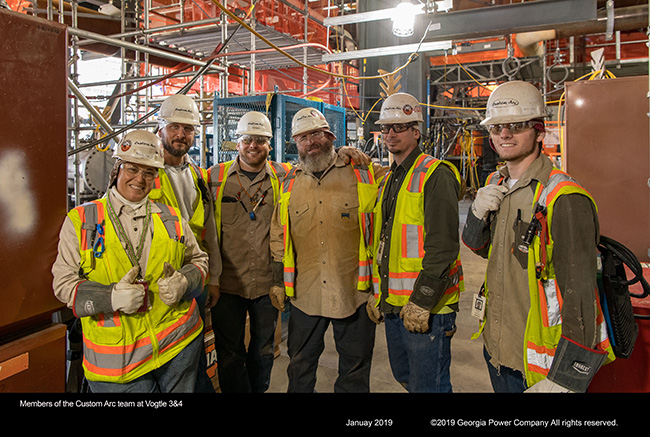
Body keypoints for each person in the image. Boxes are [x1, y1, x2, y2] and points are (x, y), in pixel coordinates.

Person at [461, 80, 615, 393]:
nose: (505, 134)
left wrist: (568, 377)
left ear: (539, 131)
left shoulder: (564, 197)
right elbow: (479, 248)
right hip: (496, 349)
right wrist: (477, 214)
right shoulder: (496, 184)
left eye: (516, 126)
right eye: (497, 127)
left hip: (539, 366)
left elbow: (581, 294)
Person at [51, 130, 209, 393]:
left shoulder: (170, 217)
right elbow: (64, 285)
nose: (140, 179)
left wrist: (184, 281)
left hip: (178, 346)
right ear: (117, 169)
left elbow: (199, 260)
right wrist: (110, 297)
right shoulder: (83, 221)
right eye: (132, 168)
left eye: (149, 172)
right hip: (118, 362)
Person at [269, 107, 386, 392]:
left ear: (330, 137)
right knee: (300, 368)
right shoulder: (288, 183)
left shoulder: (363, 173)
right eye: (303, 137)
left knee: (354, 374)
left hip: (354, 294)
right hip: (305, 295)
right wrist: (276, 280)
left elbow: (401, 185)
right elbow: (278, 235)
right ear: (295, 144)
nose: (311, 142)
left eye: (317, 134)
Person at [366, 92, 464, 393]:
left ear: (416, 131)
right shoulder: (390, 177)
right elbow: (386, 243)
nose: (390, 134)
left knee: (429, 386)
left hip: (427, 306)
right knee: (407, 378)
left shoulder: (435, 175)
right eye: (386, 128)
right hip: (395, 304)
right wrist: (380, 295)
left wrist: (422, 301)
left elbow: (444, 246)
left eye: (399, 127)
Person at [206, 111, 291, 393]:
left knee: (264, 350)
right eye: (247, 140)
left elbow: (318, 167)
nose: (253, 145)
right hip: (227, 283)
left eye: (260, 140)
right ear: (237, 142)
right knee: (229, 353)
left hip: (268, 283)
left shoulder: (284, 175)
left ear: (269, 144)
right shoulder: (214, 177)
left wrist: (348, 153)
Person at [154, 93, 222, 392]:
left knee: (191, 353)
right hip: (156, 280)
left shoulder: (197, 174)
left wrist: (214, 278)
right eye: (175, 127)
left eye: (188, 128)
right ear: (161, 128)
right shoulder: (143, 172)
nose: (181, 134)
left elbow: (209, 230)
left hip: (194, 275)